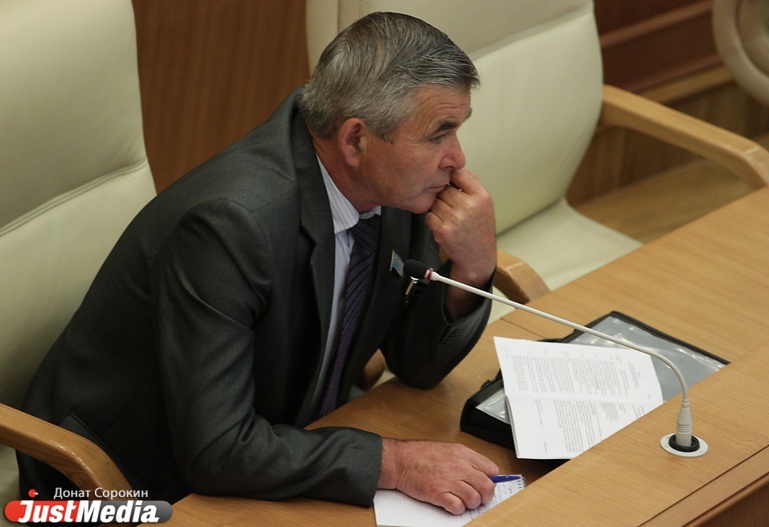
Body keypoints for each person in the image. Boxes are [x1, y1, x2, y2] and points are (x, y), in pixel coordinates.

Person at [19, 11, 499, 516]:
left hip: (281, 435)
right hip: (125, 481)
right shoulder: (230, 227)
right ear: (355, 140)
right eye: (438, 135)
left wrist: (470, 268)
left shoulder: (391, 187)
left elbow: (416, 366)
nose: (457, 159)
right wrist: (394, 463)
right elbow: (218, 452)